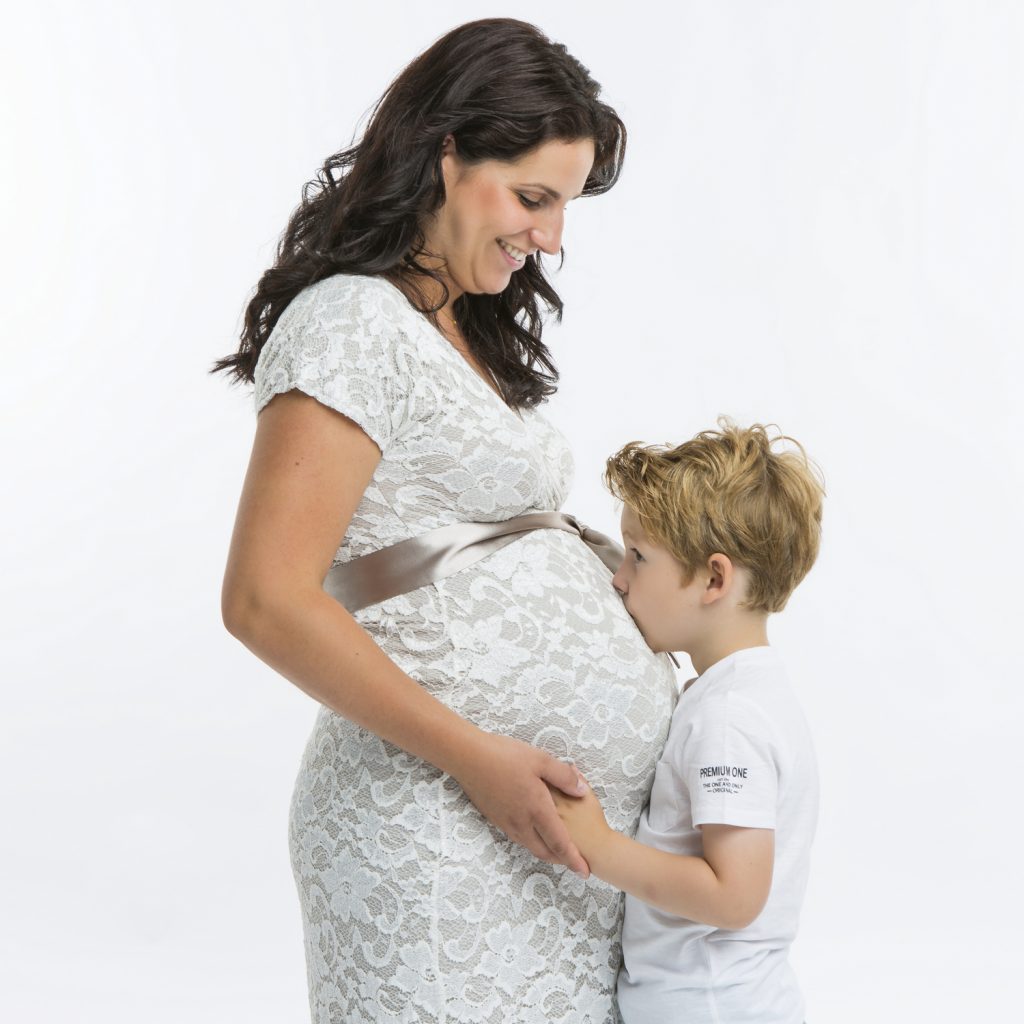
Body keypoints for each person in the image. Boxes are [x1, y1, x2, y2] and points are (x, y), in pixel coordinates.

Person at [213, 18, 677, 1024]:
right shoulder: (351, 321)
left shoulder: (454, 322)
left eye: (563, 206)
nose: (550, 236)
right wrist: (478, 755)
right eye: (532, 197)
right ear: (445, 154)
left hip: (529, 852)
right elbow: (263, 599)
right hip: (433, 831)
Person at [552, 421, 824, 1024]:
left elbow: (734, 896)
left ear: (715, 579)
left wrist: (599, 847)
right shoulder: (739, 694)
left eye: (639, 557)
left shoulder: (730, 718)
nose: (619, 579)